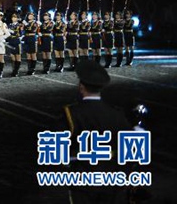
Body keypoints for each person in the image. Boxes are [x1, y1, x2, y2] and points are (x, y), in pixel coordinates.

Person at [56, 60, 133, 204]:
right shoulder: (116, 113)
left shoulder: (71, 113)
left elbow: (58, 146)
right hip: (111, 177)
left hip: (82, 177)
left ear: (81, 87)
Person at [22, 11, 39, 75]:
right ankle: (29, 69)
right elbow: (23, 30)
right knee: (28, 54)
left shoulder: (35, 23)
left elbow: (32, 30)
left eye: (31, 15)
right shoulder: (26, 23)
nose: (30, 16)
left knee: (33, 54)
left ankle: (33, 69)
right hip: (27, 38)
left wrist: (26, 24)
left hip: (32, 38)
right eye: (29, 15)